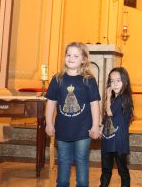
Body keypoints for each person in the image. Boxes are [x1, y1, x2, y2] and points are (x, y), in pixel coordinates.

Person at [45, 42, 101, 187]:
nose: (71, 58)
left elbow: (94, 103)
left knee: (81, 160)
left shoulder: (88, 80)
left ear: (83, 60)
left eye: (76, 56)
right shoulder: (57, 79)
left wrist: (95, 125)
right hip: (62, 128)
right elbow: (51, 102)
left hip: (83, 129)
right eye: (68, 55)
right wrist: (49, 123)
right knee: (63, 161)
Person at [100, 67, 134, 187]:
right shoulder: (113, 99)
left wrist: (107, 97)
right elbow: (106, 118)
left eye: (118, 80)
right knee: (105, 170)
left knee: (122, 170)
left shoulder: (124, 97)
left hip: (119, 141)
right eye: (112, 81)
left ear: (125, 81)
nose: (114, 84)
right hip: (108, 139)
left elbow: (109, 112)